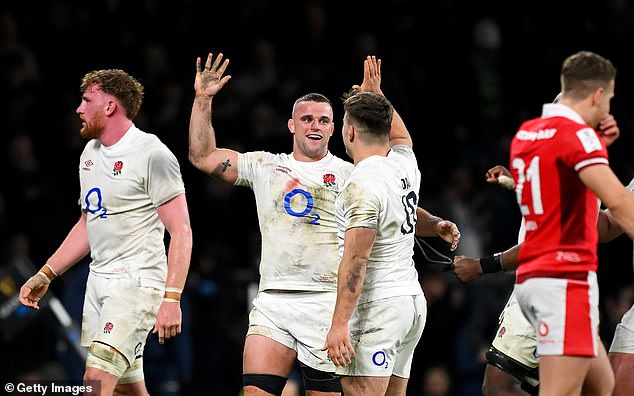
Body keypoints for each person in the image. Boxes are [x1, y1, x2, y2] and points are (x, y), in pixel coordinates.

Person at [188, 53, 460, 396]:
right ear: (292, 125)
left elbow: (396, 209)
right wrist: (202, 100)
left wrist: (433, 224)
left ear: (336, 128)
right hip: (274, 301)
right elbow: (203, 156)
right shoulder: (264, 167)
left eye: (322, 120)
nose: (314, 125)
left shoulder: (355, 175)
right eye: (306, 119)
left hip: (329, 305)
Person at [18, 68, 193, 395]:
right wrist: (46, 273)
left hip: (135, 284)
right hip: (99, 283)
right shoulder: (90, 154)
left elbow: (181, 230)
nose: (79, 109)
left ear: (110, 106)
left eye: (86, 100)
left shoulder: (152, 154)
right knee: (126, 389)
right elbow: (88, 224)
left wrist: (172, 298)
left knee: (94, 383)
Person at [453, 110, 621, 396]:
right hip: (574, 293)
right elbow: (602, 225)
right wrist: (514, 182)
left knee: (498, 386)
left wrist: (481, 266)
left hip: (545, 290)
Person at [506, 50, 634, 395]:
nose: (608, 109)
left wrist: (597, 146)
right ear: (597, 94)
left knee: (602, 388)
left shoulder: (527, 135)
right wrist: (593, 146)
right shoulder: (578, 140)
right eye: (608, 99)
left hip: (538, 278)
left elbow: (569, 200)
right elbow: (621, 204)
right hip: (563, 283)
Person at [322, 75, 424, 393]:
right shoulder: (405, 165)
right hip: (411, 306)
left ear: (349, 131)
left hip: (378, 308)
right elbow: (403, 137)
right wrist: (379, 98)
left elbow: (356, 261)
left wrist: (339, 324)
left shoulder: (362, 182)